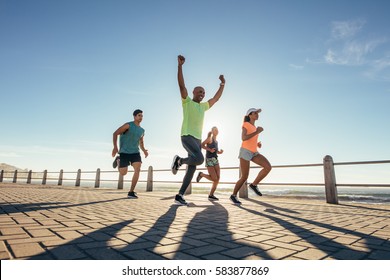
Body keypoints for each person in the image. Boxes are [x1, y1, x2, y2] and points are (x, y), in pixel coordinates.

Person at [171, 55, 225, 205]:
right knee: (200, 159)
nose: (202, 94)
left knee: (192, 168)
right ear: (194, 92)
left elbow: (216, 99)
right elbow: (181, 86)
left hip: (197, 139)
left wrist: (222, 84)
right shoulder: (187, 102)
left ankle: (180, 195)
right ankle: (179, 160)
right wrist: (180, 66)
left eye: (203, 93)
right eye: (199, 92)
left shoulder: (204, 107)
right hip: (187, 136)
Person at [230, 108, 272, 205]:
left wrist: (257, 144)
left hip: (254, 152)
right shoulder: (246, 124)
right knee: (244, 176)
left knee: (268, 167)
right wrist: (257, 132)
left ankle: (254, 185)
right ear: (249, 115)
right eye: (255, 113)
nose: (257, 114)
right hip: (245, 151)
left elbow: (251, 139)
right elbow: (243, 138)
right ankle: (233, 195)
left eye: (258, 113)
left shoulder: (254, 126)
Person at [112, 109, 149, 199]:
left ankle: (131, 192)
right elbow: (115, 133)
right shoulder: (128, 125)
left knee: (138, 169)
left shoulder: (142, 130)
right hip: (124, 152)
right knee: (123, 173)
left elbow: (141, 142)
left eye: (142, 116)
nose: (141, 117)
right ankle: (118, 160)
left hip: (135, 153)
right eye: (139, 115)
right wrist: (115, 147)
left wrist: (144, 150)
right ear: (134, 116)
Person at [196, 127, 224, 201]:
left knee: (218, 179)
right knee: (214, 178)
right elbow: (202, 145)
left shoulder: (216, 141)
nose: (216, 131)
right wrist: (209, 149)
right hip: (209, 159)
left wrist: (219, 152)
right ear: (212, 131)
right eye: (215, 130)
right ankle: (201, 174)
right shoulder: (209, 139)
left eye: (217, 130)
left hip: (215, 159)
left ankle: (211, 195)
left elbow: (215, 151)